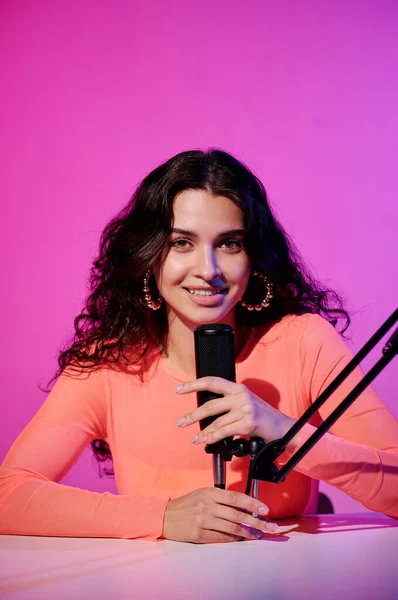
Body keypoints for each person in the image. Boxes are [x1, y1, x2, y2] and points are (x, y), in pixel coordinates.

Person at [0, 150, 397, 544]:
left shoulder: (303, 342)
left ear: (253, 256)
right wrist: (164, 516)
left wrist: (285, 432)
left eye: (229, 244)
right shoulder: (110, 366)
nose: (208, 270)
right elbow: (8, 496)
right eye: (182, 243)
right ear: (149, 256)